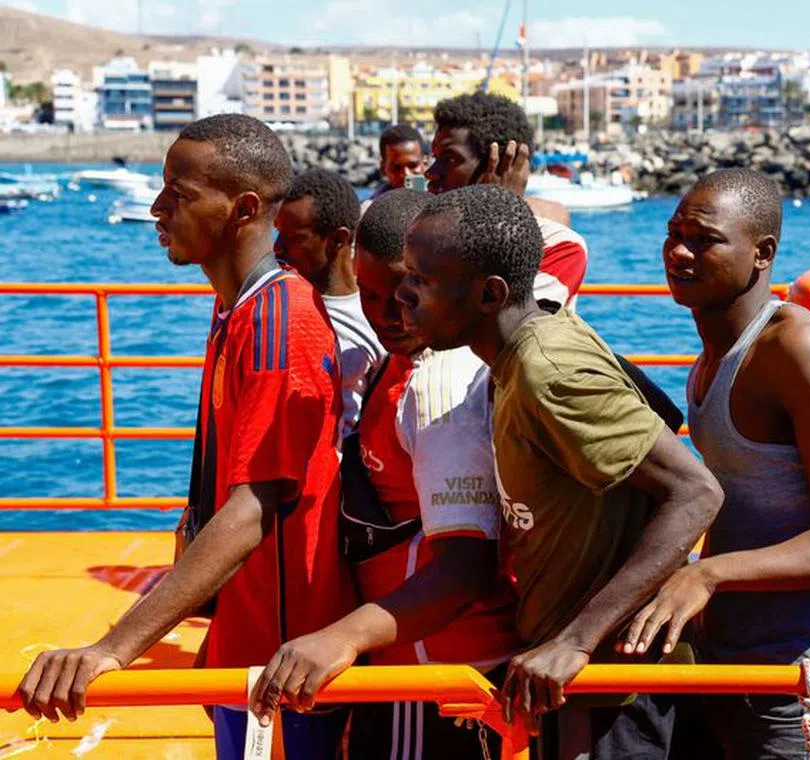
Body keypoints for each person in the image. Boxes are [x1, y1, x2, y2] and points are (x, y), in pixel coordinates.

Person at [14, 114, 355, 757]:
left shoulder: (281, 322)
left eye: (180, 193)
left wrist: (112, 648)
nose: (156, 208)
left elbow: (254, 507)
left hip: (280, 664)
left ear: (242, 208)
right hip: (245, 641)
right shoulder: (238, 307)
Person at [395, 184, 723, 759]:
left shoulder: (550, 372)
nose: (403, 294)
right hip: (571, 675)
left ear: (490, 294)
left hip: (614, 685)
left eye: (421, 280)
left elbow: (695, 494)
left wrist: (576, 640)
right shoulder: (516, 351)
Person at [623, 168, 810, 759]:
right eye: (672, 233)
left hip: (796, 674)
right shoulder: (713, 351)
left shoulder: (796, 349)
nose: (679, 251)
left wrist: (708, 574)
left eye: (704, 239)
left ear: (762, 252)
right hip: (725, 651)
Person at [251, 189, 519, 758]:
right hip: (409, 659)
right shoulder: (402, 363)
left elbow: (465, 564)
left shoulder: (442, 383)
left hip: (437, 674)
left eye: (408, 290)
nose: (390, 314)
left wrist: (341, 637)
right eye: (370, 297)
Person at [428, 91, 587, 311]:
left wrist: (496, 209)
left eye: (450, 159)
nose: (430, 173)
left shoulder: (559, 246)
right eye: (435, 158)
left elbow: (515, 321)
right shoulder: (423, 238)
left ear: (504, 164)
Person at [276, 167, 384, 435]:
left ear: (338, 239)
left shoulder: (378, 317)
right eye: (277, 233)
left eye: (294, 238)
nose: (277, 247)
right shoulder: (274, 303)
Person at [373, 123, 427, 197]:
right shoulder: (369, 207)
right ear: (383, 169)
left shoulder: (443, 204)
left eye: (413, 166)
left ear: (425, 163)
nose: (406, 174)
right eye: (397, 168)